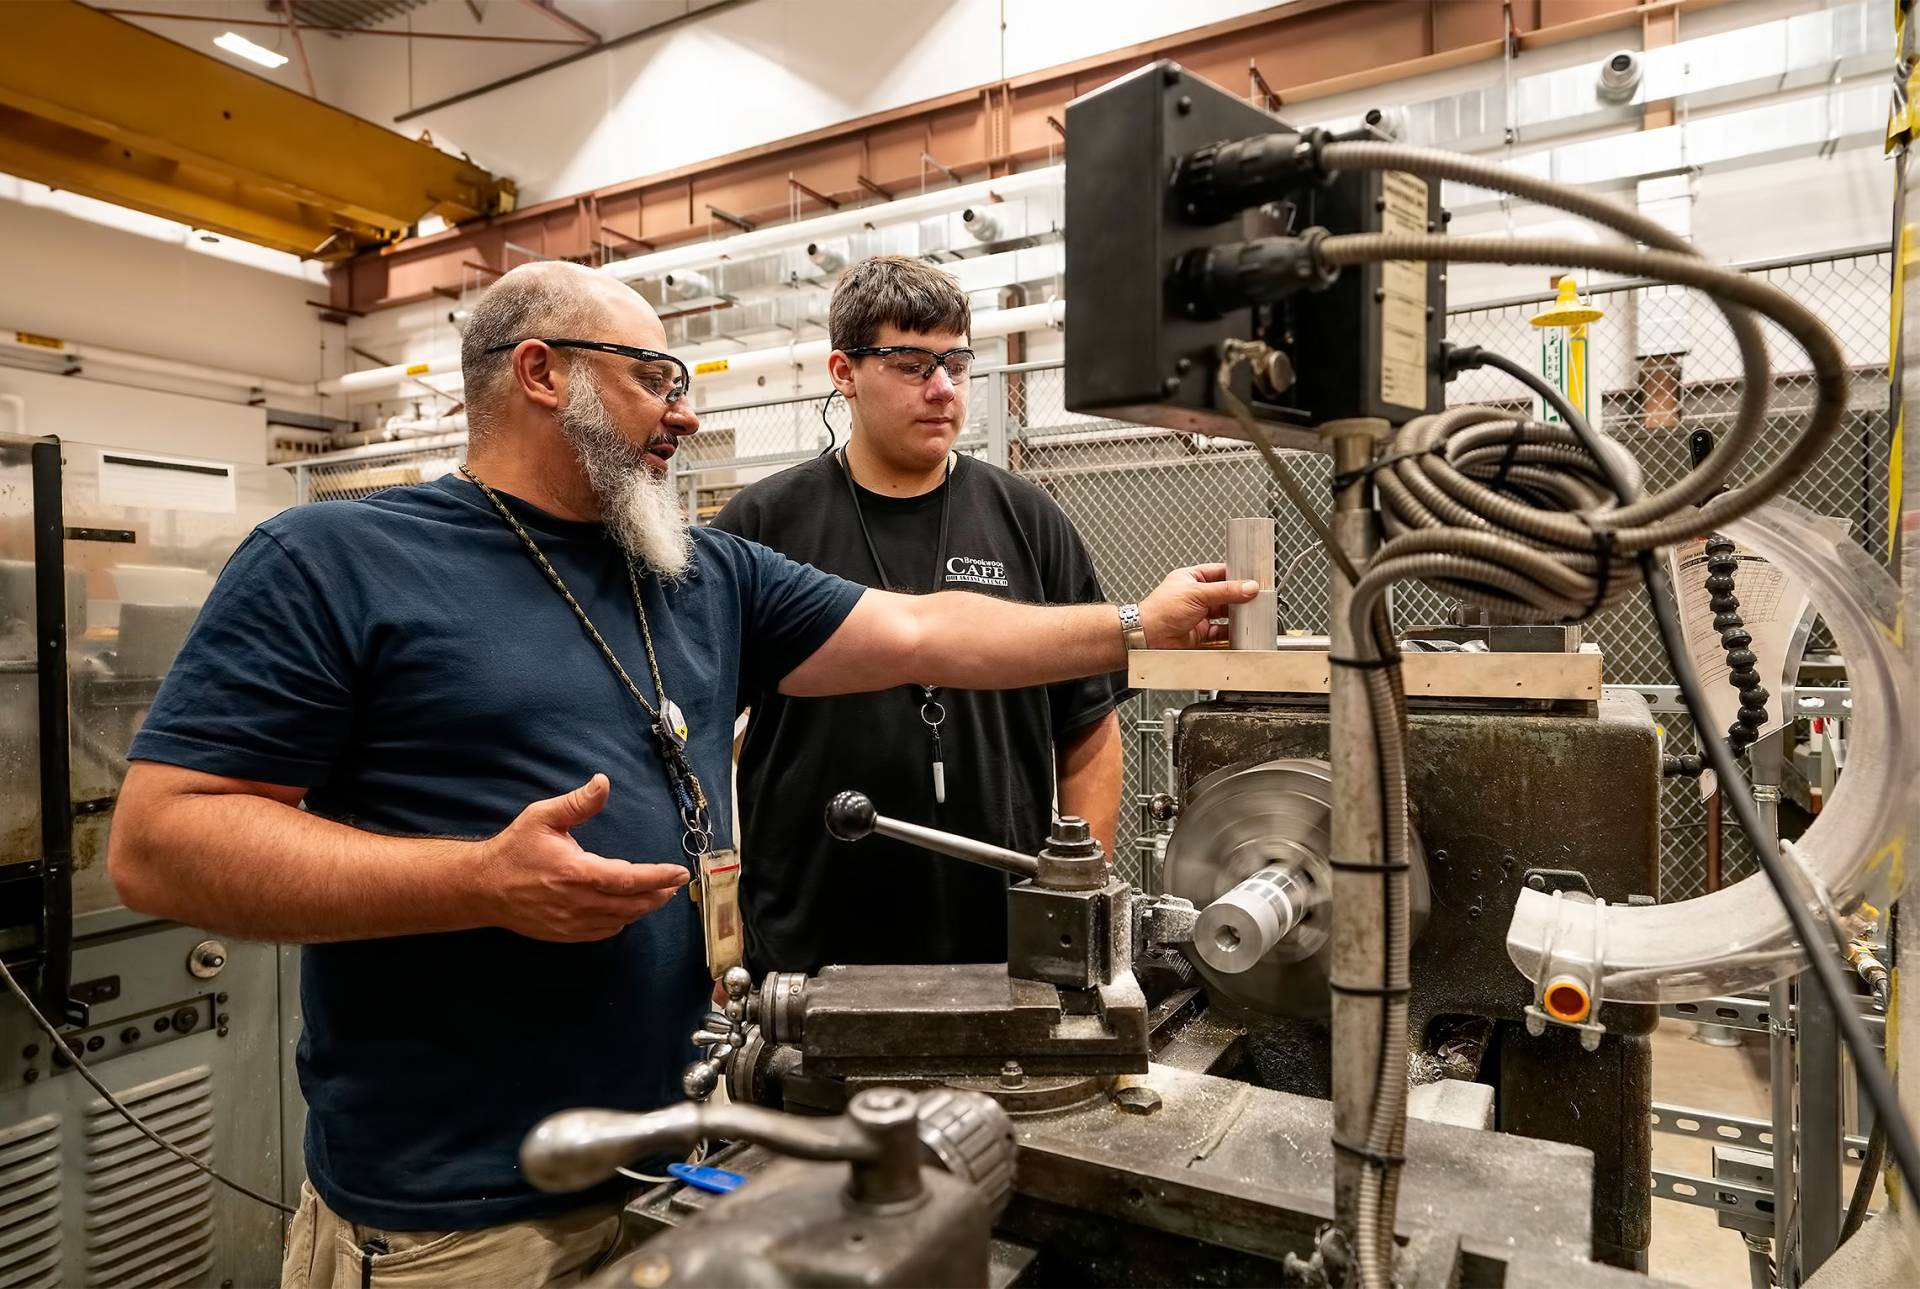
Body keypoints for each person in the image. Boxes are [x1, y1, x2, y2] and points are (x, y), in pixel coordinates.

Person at [105, 260, 1254, 1287]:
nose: (686, 411)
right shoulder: (337, 560)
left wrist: (1129, 621)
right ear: (544, 372)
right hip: (460, 1217)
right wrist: (475, 880)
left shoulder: (703, 573)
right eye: (656, 377)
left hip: (680, 1161)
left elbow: (922, 632)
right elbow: (161, 844)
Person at [712, 255, 1125, 975]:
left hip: (1001, 934)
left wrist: (1075, 902)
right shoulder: (763, 523)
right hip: (811, 940)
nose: (942, 390)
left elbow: (1089, 722)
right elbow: (701, 735)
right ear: (843, 371)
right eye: (910, 364)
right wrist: (718, 927)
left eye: (955, 364)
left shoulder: (1026, 517)